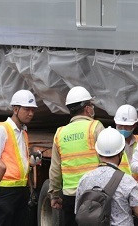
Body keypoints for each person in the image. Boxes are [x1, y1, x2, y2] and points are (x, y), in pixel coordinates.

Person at [49, 86, 103, 226]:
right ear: (86, 108)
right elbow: (107, 162)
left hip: (70, 197)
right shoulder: (95, 127)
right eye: (91, 105)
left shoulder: (60, 133)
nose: (92, 108)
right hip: (94, 196)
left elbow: (55, 169)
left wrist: (54, 195)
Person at [74, 128, 138, 226]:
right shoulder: (127, 180)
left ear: (98, 153)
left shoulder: (84, 179)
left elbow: (78, 210)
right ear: (121, 152)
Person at [0, 89, 37, 226]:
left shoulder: (23, 132)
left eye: (32, 110)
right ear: (15, 109)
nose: (31, 113)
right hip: (4, 191)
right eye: (27, 109)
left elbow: (16, 158)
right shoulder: (2, 129)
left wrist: (30, 162)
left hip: (21, 190)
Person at [113, 105, 138, 173]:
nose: (123, 129)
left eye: (127, 126)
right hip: (119, 182)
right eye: (120, 126)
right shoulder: (112, 143)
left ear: (134, 125)